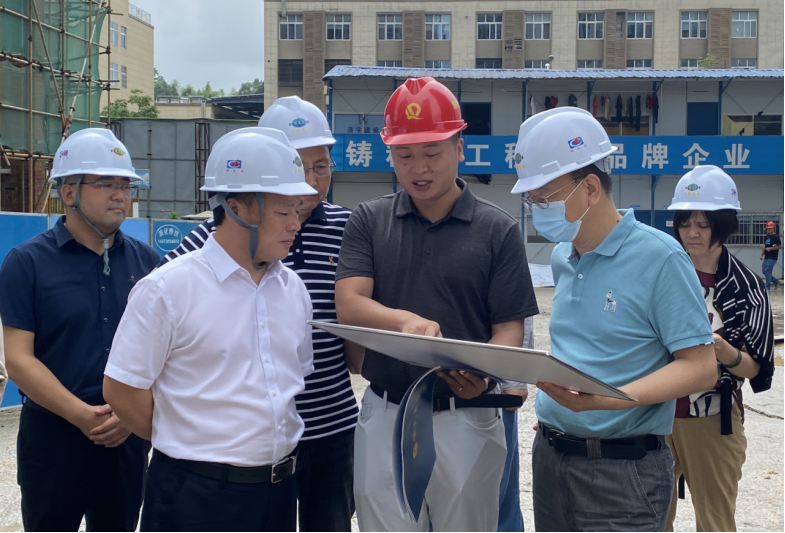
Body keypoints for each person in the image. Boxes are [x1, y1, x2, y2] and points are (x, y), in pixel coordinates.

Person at [335, 77, 539, 532]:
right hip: (387, 412)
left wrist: (484, 373)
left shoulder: (497, 229)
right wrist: (403, 321)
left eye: (432, 153)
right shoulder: (369, 220)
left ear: (459, 148)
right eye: (404, 156)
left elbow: (509, 327)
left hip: (466, 415)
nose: (419, 168)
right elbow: (349, 303)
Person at [159, 96, 361, 532]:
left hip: (331, 426)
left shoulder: (350, 230)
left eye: (322, 166)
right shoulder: (214, 238)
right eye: (301, 167)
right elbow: (161, 314)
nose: (312, 182)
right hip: (246, 446)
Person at [510, 107, 717, 532]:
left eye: (544, 198)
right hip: (552, 458)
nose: (537, 209)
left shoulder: (660, 258)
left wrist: (605, 400)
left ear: (589, 188)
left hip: (623, 472)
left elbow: (700, 367)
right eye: (531, 200)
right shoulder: (563, 256)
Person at [103, 128, 317, 532]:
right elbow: (121, 389)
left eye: (298, 211)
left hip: (278, 492)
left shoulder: (293, 290)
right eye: (284, 211)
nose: (296, 225)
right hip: (195, 496)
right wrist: (187, 437)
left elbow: (294, 379)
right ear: (236, 208)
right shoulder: (168, 289)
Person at [0, 129, 158, 532]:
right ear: (68, 193)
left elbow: (166, 353)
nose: (120, 195)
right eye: (106, 183)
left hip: (126, 439)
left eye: (125, 185)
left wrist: (130, 416)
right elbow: (18, 359)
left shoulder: (150, 265)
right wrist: (82, 415)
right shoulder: (27, 263)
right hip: (53, 439)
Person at [665, 165, 774, 532]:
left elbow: (757, 368)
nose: (692, 233)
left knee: (714, 522)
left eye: (703, 224)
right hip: (654, 410)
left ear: (723, 225)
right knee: (646, 517)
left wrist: (725, 351)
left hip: (711, 416)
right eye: (685, 224)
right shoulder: (660, 271)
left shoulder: (746, 287)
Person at [761, 220, 782, 290]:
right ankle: (776, 281)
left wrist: (771, 248)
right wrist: (762, 255)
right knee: (764, 271)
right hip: (767, 256)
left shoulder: (775, 237)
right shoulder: (766, 236)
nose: (769, 230)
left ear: (773, 228)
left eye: (770, 228)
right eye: (768, 228)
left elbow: (780, 246)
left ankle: (767, 287)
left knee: (767, 271)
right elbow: (764, 246)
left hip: (772, 257)